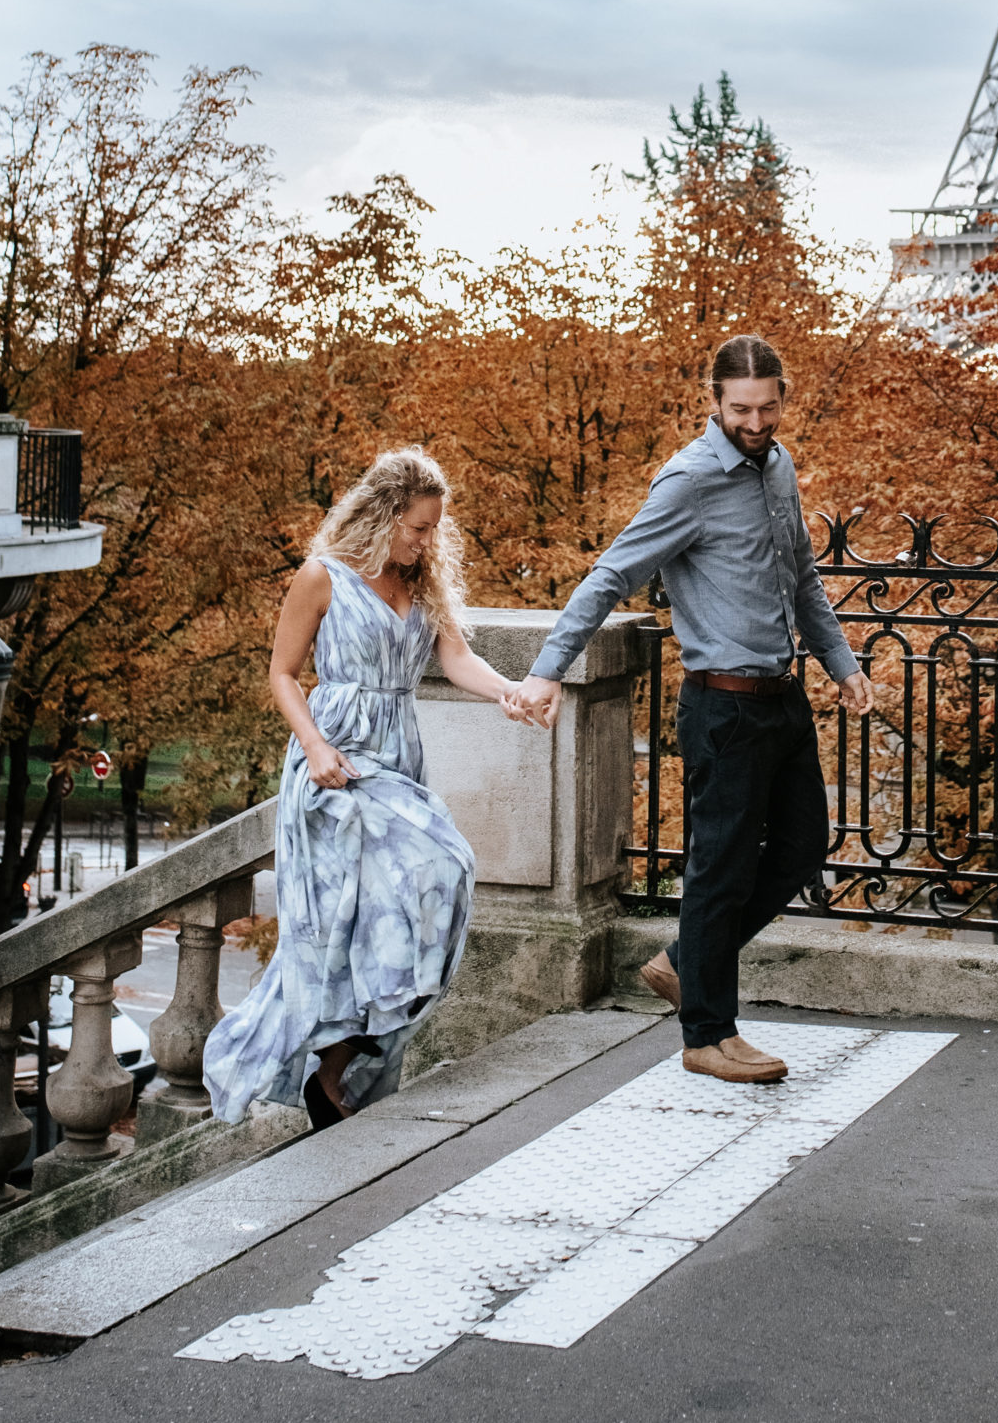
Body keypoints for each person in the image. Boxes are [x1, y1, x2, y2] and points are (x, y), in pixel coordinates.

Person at [513, 333, 872, 1085]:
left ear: (782, 399)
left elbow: (802, 577)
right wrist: (548, 670)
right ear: (713, 402)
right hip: (722, 707)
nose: (755, 421)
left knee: (806, 846)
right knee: (720, 872)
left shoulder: (778, 468)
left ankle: (686, 964)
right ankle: (706, 1034)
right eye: (740, 409)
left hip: (782, 698)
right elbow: (610, 574)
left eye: (768, 407)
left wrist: (841, 663)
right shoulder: (687, 480)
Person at [205, 447, 524, 1129]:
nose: (427, 540)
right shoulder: (322, 578)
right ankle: (325, 1064)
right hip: (335, 765)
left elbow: (457, 658)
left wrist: (512, 694)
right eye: (416, 527)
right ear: (382, 517)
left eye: (434, 527)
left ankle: (339, 1065)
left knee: (380, 919)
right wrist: (316, 747)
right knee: (427, 872)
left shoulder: (424, 584)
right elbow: (283, 673)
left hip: (396, 756)